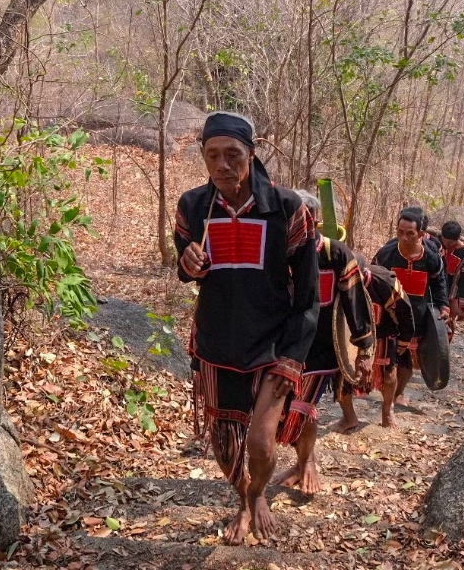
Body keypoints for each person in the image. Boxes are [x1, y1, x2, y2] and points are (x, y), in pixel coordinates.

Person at [174, 112, 320, 544]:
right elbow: (185, 262)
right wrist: (187, 265)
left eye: (233, 154)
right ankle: (241, 498)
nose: (222, 165)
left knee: (259, 443)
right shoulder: (193, 206)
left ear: (251, 154)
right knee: (225, 442)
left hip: (273, 345)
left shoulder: (287, 208)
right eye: (212, 155)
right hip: (217, 343)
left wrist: (294, 357)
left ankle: (258, 493)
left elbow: (309, 295)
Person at [274, 192, 375, 495]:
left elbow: (355, 302)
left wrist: (364, 349)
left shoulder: (337, 254)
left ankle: (307, 464)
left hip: (321, 350)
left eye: (301, 216)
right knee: (282, 411)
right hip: (281, 346)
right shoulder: (276, 251)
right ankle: (303, 460)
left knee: (303, 410)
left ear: (314, 219)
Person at [373, 207, 447, 408]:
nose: (403, 237)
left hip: (417, 317)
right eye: (400, 232)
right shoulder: (386, 254)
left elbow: (439, 282)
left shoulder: (431, 258)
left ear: (421, 234)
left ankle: (398, 393)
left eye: (410, 233)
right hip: (389, 316)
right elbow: (372, 281)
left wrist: (443, 306)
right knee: (387, 359)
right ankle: (384, 393)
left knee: (406, 364)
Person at [363, 264, 417, 427]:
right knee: (343, 376)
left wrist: (404, 339)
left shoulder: (385, 283)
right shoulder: (340, 280)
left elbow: (405, 311)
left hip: (384, 331)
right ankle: (348, 416)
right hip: (349, 333)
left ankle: (387, 410)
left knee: (388, 373)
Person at [439, 221, 464, 339]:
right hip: (434, 288)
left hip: (451, 293)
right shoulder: (436, 243)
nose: (446, 244)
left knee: (448, 321)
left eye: (449, 242)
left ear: (457, 239)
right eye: (444, 240)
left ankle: (445, 346)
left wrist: (462, 306)